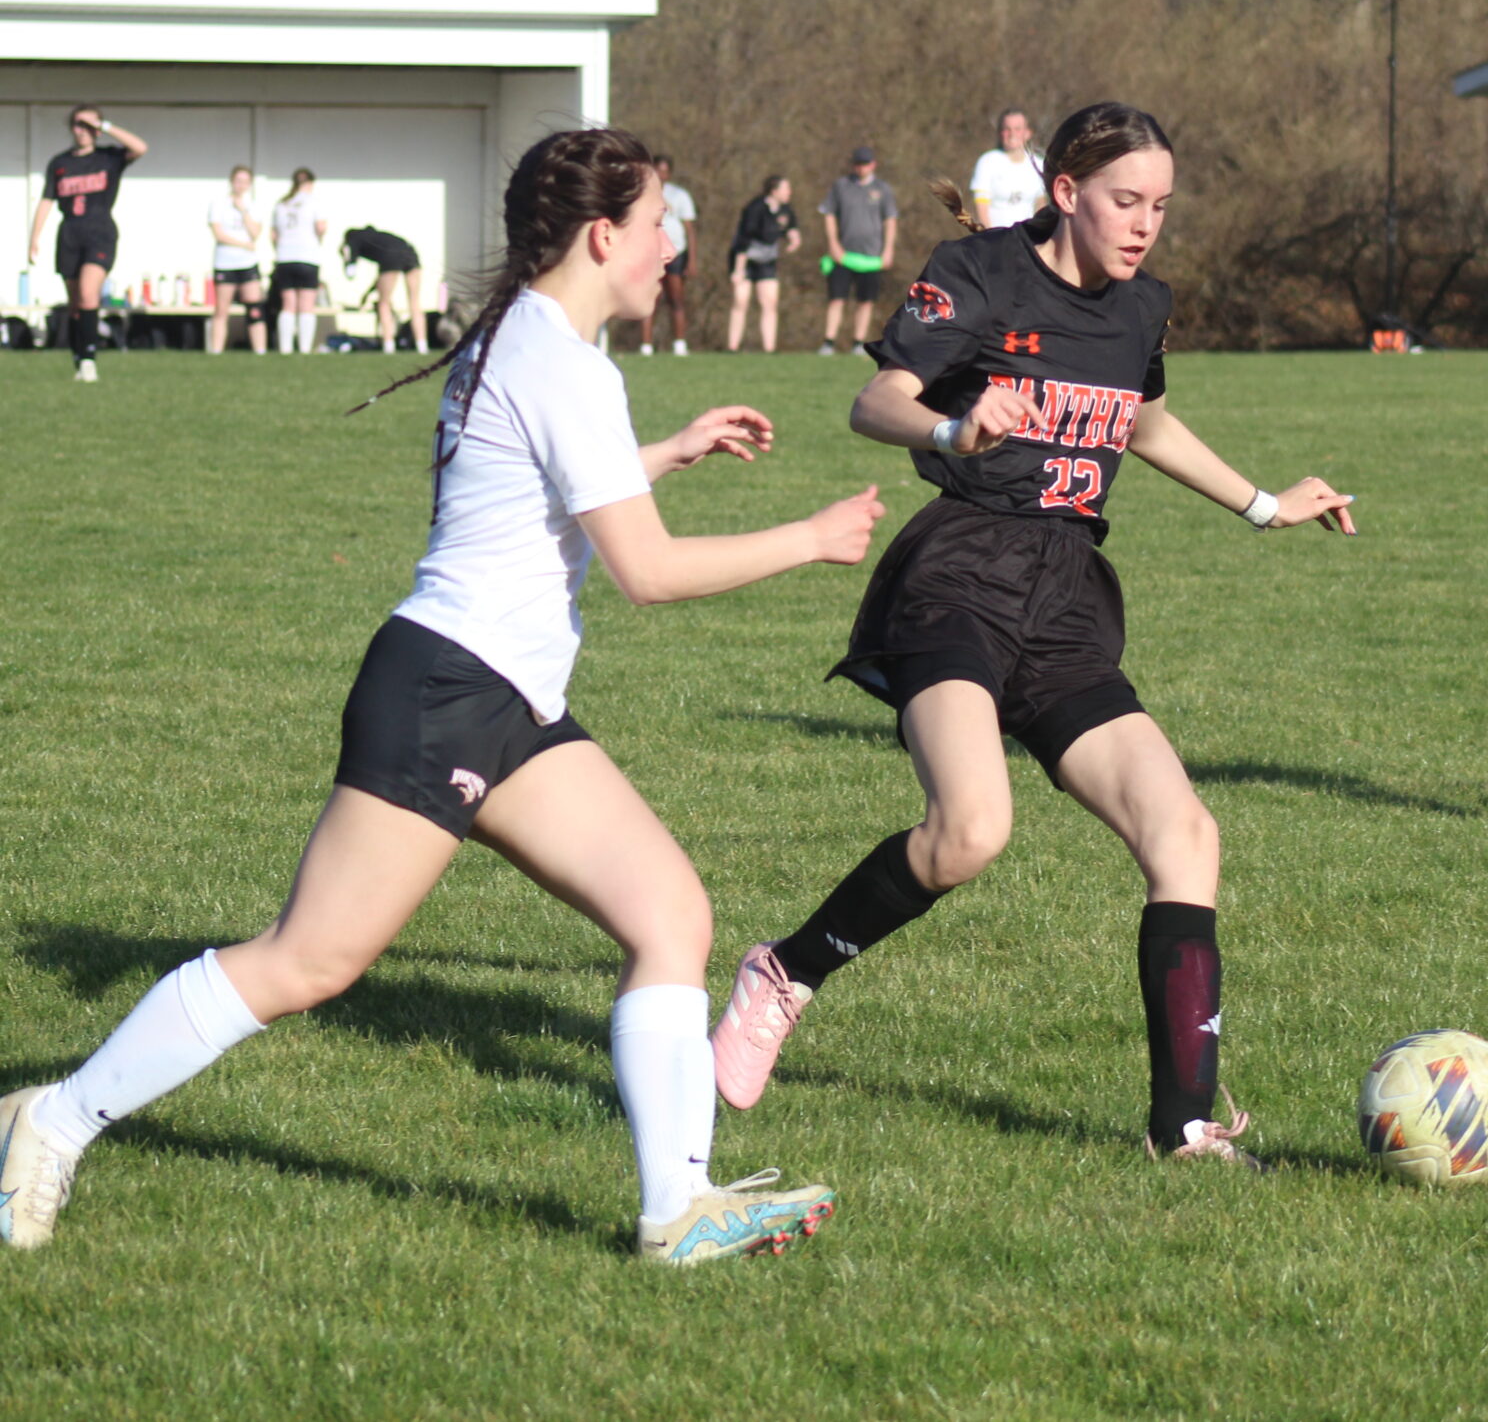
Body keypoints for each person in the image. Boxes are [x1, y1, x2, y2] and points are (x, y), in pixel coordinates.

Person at [0, 128, 887, 1264]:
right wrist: (809, 540)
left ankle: (678, 1208)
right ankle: (53, 1118)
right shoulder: (562, 360)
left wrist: (665, 451)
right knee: (309, 959)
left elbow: (537, 491)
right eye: (658, 223)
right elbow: (649, 572)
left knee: (670, 914)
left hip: (506, 703)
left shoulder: (529, 337)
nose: (672, 245)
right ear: (603, 234)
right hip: (445, 692)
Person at [706, 102, 1356, 1168]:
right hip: (959, 575)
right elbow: (877, 399)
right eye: (1125, 201)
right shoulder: (978, 273)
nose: (1145, 225)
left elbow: (1141, 420)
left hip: (1065, 597)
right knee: (971, 830)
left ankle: (1184, 1126)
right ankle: (787, 971)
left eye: (1161, 206)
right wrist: (952, 428)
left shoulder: (1142, 307)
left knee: (1185, 834)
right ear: (1065, 191)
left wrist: (1264, 505)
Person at [26, 105, 148, 383]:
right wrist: (34, 238)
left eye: (88, 126)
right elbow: (47, 200)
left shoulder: (108, 158)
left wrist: (104, 125)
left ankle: (90, 360)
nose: (82, 131)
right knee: (75, 304)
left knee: (88, 294)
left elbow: (140, 147)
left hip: (100, 231)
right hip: (70, 233)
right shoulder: (60, 163)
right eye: (78, 125)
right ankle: (78, 358)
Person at [818, 146, 898, 355]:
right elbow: (828, 214)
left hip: (872, 256)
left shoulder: (883, 189)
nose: (861, 168)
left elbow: (890, 220)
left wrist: (888, 250)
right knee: (837, 298)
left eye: (865, 164)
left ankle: (858, 342)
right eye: (858, 164)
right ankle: (828, 342)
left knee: (866, 301)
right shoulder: (841, 186)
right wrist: (833, 244)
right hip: (843, 255)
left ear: (873, 165)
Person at [727, 176, 800, 354]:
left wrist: (794, 240)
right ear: (774, 191)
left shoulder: (785, 209)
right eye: (785, 188)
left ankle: (769, 349)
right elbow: (744, 239)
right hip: (745, 259)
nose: (789, 192)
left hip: (767, 260)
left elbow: (792, 228)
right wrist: (738, 271)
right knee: (741, 301)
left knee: (770, 302)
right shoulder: (755, 208)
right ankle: (732, 347)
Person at [206, 164, 266, 356]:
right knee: (222, 309)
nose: (241, 185)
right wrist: (243, 244)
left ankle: (260, 350)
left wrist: (243, 211)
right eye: (238, 181)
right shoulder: (218, 204)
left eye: (245, 182)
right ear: (232, 181)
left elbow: (255, 233)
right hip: (225, 263)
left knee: (254, 308)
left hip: (247, 263)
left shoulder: (253, 206)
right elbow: (219, 234)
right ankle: (216, 351)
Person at [642, 154, 696, 357]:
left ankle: (679, 343)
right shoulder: (643, 194)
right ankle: (646, 345)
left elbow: (689, 229)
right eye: (658, 170)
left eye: (665, 171)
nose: (661, 174)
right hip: (651, 252)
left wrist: (692, 259)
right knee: (650, 299)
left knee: (676, 298)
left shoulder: (679, 195)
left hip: (675, 252)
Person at [343, 225, 429, 352]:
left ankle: (388, 345)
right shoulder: (377, 238)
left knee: (384, 303)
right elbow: (381, 279)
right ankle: (422, 346)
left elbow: (350, 270)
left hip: (391, 256)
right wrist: (368, 293)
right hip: (410, 252)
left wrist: (346, 261)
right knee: (414, 302)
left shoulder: (353, 237)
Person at [270, 168, 329, 355]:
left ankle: (285, 348)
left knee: (288, 304)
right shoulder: (314, 202)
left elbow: (273, 235)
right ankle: (304, 348)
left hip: (284, 257)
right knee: (306, 305)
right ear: (310, 183)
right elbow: (321, 228)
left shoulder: (282, 204)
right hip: (307, 257)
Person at [969, 109, 1046, 230]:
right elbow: (981, 207)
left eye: (1017, 129)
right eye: (1007, 129)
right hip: (996, 236)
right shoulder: (987, 162)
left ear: (1027, 133)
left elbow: (1040, 204)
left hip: (1027, 236)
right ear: (1000, 133)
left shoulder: (1038, 164)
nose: (1012, 134)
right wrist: (990, 235)